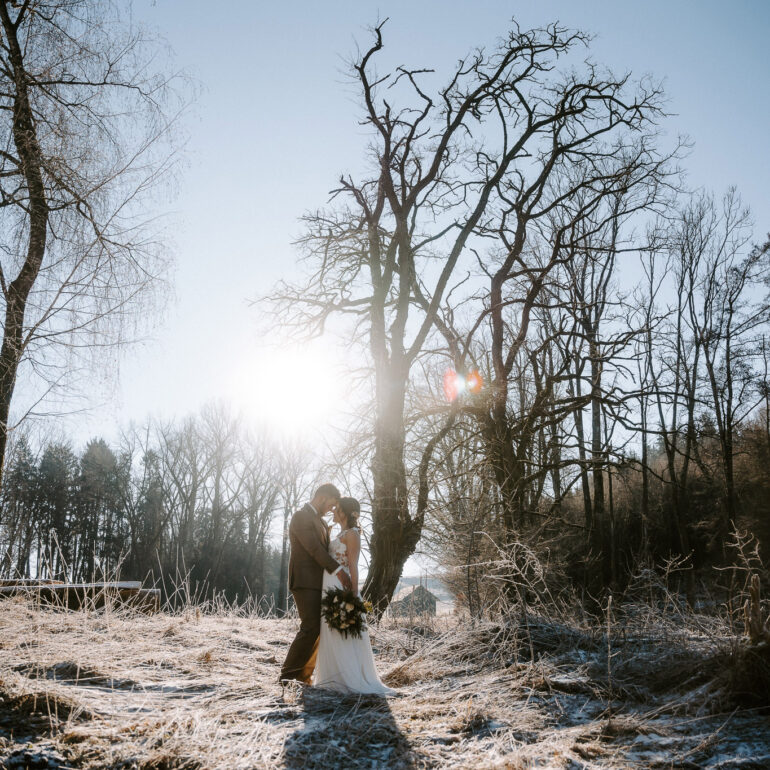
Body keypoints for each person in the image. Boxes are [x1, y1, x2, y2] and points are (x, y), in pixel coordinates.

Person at [313, 496, 396, 695]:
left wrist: (353, 594)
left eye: (337, 508)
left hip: (341, 586)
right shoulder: (338, 532)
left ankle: (349, 679)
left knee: (341, 630)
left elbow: (353, 565)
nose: (333, 511)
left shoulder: (352, 534)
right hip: (329, 585)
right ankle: (332, 679)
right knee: (330, 630)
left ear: (346, 513)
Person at [280, 483, 352, 685]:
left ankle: (303, 677)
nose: (331, 510)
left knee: (318, 628)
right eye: (331, 505)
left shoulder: (319, 522)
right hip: (304, 581)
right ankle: (287, 677)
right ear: (321, 498)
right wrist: (338, 571)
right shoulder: (301, 516)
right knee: (310, 627)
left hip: (319, 582)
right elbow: (313, 549)